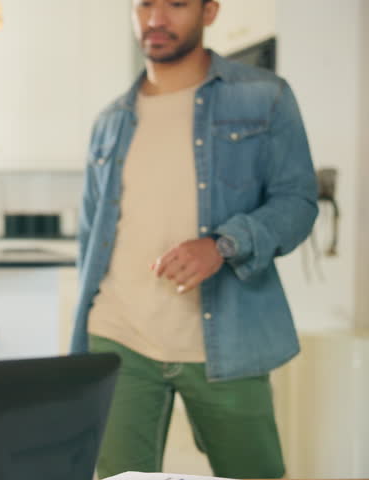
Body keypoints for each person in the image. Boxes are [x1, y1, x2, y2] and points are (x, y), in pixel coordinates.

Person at [71, 1, 318, 478]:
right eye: (144, 4)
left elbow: (298, 202)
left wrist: (224, 244)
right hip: (120, 338)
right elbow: (89, 237)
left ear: (210, 12)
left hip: (230, 336)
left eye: (177, 4)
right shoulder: (109, 121)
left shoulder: (265, 98)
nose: (155, 19)